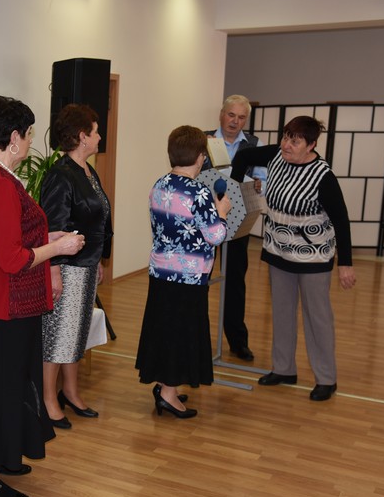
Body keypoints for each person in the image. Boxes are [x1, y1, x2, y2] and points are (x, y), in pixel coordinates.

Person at [0, 95, 85, 497]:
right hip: (3, 306)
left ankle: (3, 458)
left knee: (6, 387)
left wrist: (49, 237)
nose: (29, 141)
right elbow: (12, 259)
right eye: (27, 134)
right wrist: (59, 249)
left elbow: (10, 239)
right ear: (13, 138)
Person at [230, 115, 356, 401]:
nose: (286, 145)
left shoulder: (323, 176)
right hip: (278, 252)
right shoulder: (276, 156)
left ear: (311, 145)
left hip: (314, 259)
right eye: (286, 137)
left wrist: (346, 264)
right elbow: (244, 156)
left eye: (295, 141)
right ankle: (284, 369)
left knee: (317, 318)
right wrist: (234, 192)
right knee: (282, 312)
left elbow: (341, 220)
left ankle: (326, 378)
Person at [135, 126, 231, 419]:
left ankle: (167, 386)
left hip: (161, 271)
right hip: (188, 275)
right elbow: (215, 235)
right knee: (182, 332)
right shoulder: (199, 192)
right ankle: (168, 394)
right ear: (201, 157)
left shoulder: (160, 184)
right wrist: (222, 212)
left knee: (165, 329)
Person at [39, 104, 113, 429]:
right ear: (83, 136)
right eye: (95, 132)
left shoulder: (86, 171)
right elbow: (52, 227)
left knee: (76, 334)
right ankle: (48, 400)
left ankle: (70, 391)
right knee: (58, 336)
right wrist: (53, 270)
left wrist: (99, 260)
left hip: (86, 265)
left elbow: (99, 219)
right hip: (67, 267)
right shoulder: (61, 174)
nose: (99, 137)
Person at [203, 94, 267, 361]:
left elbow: (263, 179)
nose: (235, 121)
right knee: (201, 281)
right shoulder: (203, 140)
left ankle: (237, 341)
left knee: (235, 283)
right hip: (205, 221)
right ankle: (198, 339)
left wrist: (258, 184)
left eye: (241, 117)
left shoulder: (254, 144)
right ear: (222, 114)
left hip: (239, 221)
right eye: (231, 115)